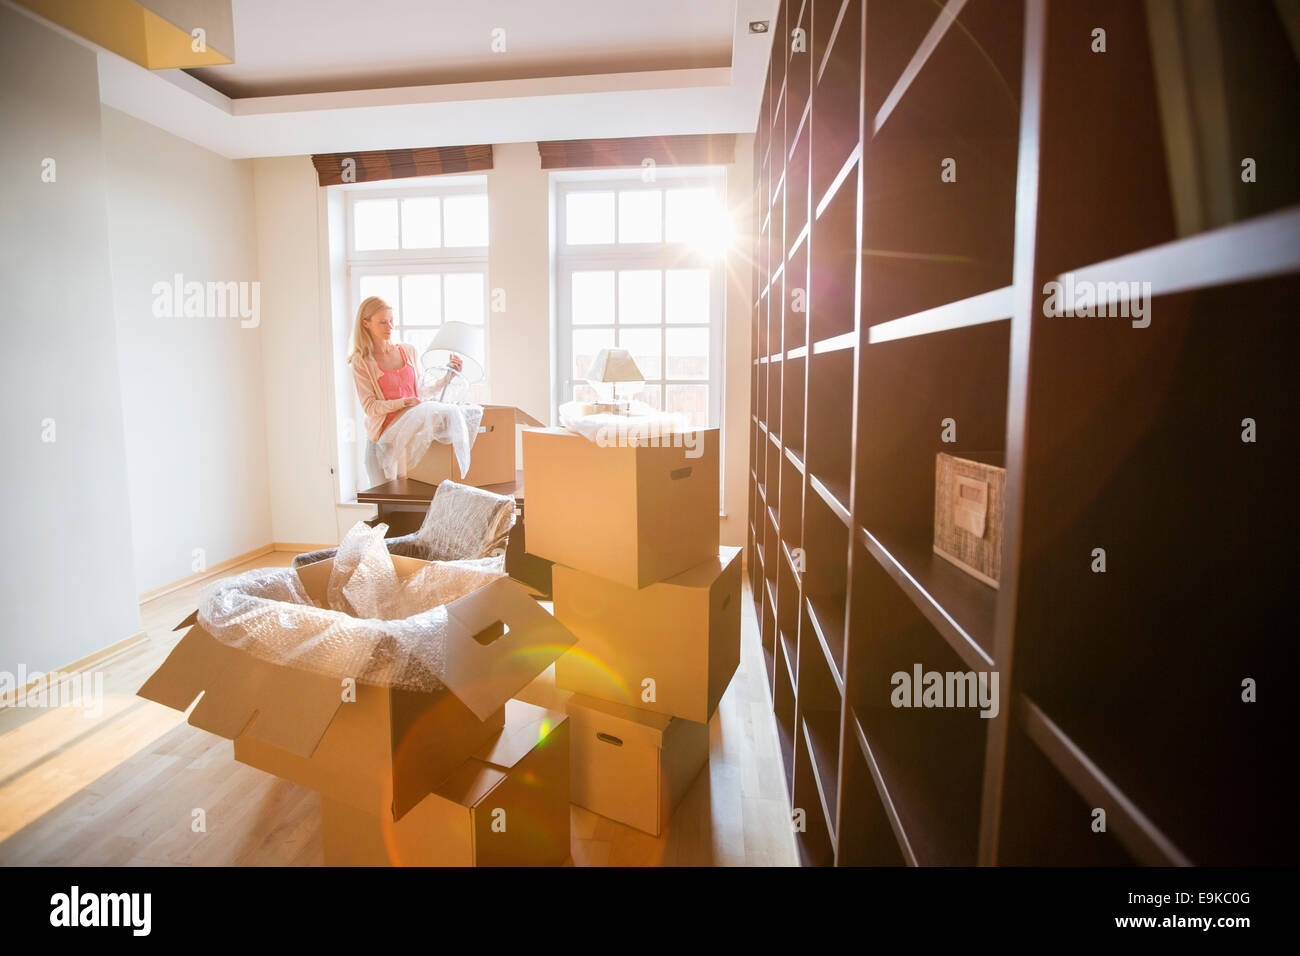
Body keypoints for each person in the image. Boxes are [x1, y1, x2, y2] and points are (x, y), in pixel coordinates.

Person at [348, 296, 461, 486]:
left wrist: (446, 379)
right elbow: (370, 407)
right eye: (383, 322)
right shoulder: (361, 361)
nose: (389, 326)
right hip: (381, 446)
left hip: (410, 444)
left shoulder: (408, 351)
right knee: (387, 511)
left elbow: (421, 393)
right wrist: (403, 402)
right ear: (365, 323)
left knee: (415, 507)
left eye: (391, 320)